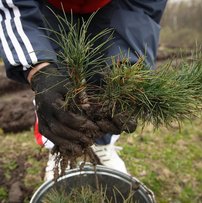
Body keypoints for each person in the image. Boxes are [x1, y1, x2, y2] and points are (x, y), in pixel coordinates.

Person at [0, 0, 167, 181]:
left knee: (106, 82)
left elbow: (142, 8)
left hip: (112, 5)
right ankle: (62, 151)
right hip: (47, 4)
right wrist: (39, 69)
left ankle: (101, 145)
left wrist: (127, 67)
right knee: (56, 91)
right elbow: (13, 6)